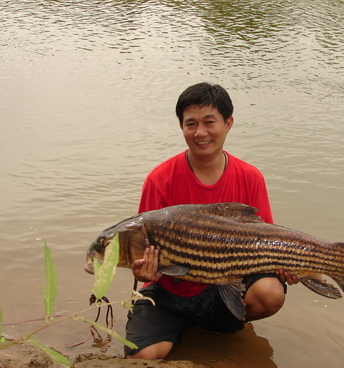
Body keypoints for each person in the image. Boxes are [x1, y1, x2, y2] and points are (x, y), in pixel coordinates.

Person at [125, 82, 297, 359]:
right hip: (168, 292)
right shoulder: (160, 179)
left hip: (223, 288)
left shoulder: (250, 177)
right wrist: (142, 270)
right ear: (181, 127)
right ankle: (188, 331)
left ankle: (217, 322)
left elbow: (265, 242)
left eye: (209, 122)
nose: (200, 132)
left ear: (228, 124)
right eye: (190, 124)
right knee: (143, 357)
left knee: (270, 292)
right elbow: (143, 247)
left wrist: (284, 265)